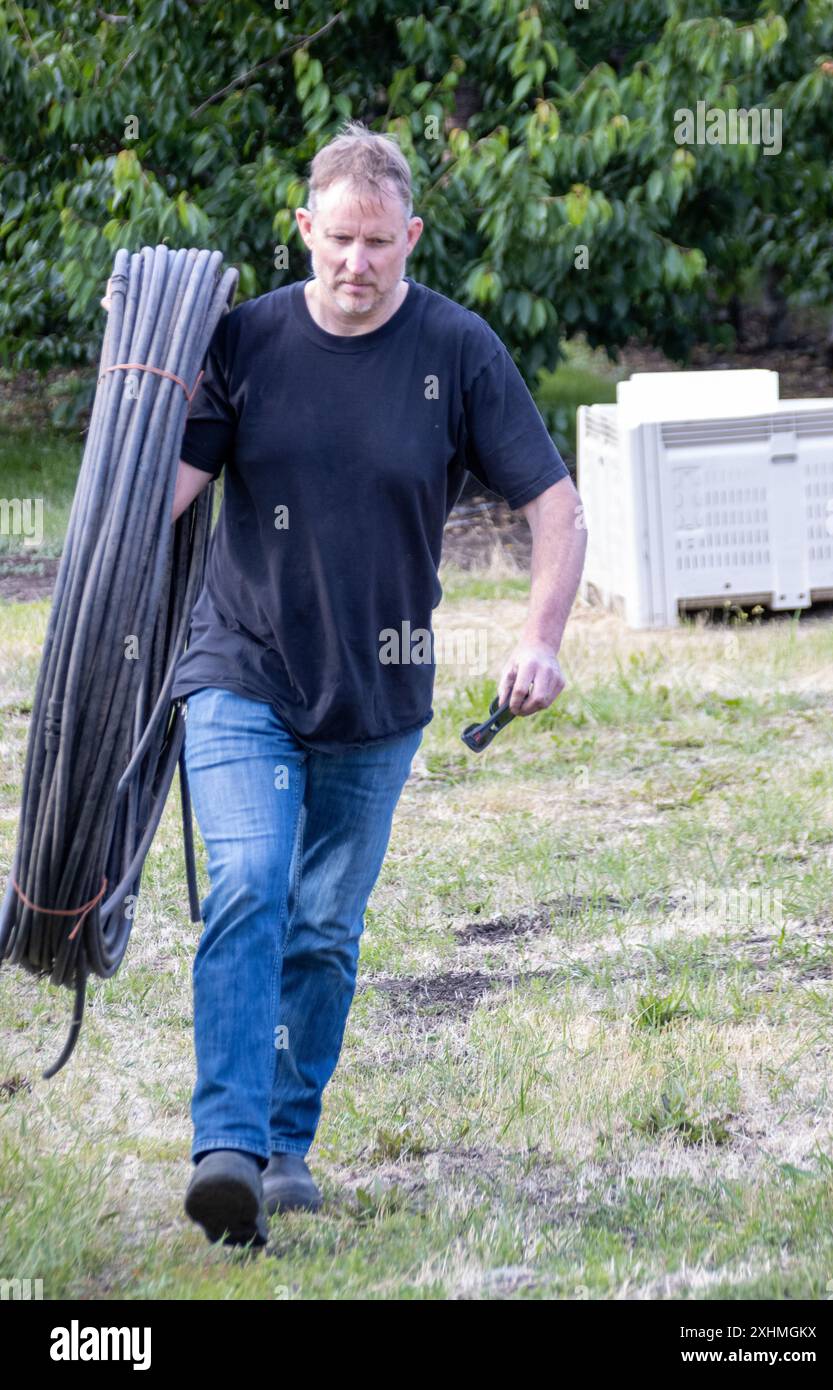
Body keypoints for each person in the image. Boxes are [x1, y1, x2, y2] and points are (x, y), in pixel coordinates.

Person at [124, 121, 587, 1248]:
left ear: (409, 236)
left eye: (378, 243)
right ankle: (223, 1148)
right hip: (240, 666)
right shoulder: (246, 343)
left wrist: (540, 635)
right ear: (302, 230)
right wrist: (124, 388)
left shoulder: (456, 349)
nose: (354, 263)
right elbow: (161, 493)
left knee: (324, 926)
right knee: (247, 881)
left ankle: (285, 1144)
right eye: (335, 239)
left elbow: (555, 506)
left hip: (379, 697)